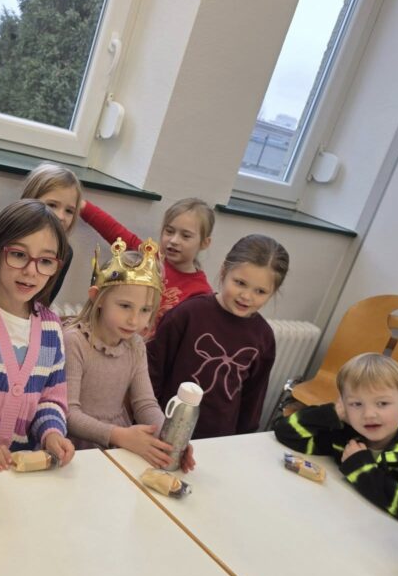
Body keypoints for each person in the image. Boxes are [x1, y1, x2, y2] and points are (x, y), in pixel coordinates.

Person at [274, 353, 398, 524]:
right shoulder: (347, 429)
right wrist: (331, 413)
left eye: (382, 403)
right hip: (340, 518)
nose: (369, 414)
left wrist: (361, 468)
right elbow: (286, 433)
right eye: (356, 404)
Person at [0, 199, 75, 471]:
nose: (31, 270)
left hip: (21, 473)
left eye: (45, 261)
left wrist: (52, 433)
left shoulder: (51, 328)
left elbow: (51, 399)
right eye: (19, 255)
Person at [64, 237, 194, 471]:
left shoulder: (136, 346)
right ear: (97, 298)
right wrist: (119, 435)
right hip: (74, 450)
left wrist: (171, 439)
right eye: (125, 306)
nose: (134, 320)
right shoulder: (74, 342)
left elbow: (145, 404)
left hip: (120, 447)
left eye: (145, 310)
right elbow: (69, 414)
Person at [148, 233, 287, 439]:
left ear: (273, 292)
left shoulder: (264, 337)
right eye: (240, 283)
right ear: (223, 272)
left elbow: (253, 398)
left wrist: (241, 439)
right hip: (166, 429)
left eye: (260, 291)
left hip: (219, 438)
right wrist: (149, 421)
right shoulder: (188, 314)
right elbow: (153, 373)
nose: (246, 296)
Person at [79, 197, 214, 326]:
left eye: (185, 236)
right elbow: (115, 232)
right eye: (169, 231)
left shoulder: (201, 293)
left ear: (204, 243)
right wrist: (81, 205)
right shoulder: (149, 257)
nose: (174, 240)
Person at [0, 162, 84, 304]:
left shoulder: (65, 253)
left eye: (69, 211)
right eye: (52, 205)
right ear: (30, 201)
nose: (61, 216)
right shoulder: (6, 234)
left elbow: (44, 300)